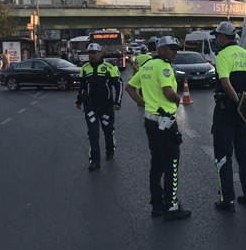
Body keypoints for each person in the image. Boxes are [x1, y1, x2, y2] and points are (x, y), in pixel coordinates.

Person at [124, 36, 191, 221]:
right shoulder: (163, 66)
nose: (175, 52)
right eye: (172, 49)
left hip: (150, 121)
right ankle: (172, 207)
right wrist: (178, 101)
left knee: (157, 164)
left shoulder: (147, 66)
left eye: (176, 49)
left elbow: (129, 88)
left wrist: (145, 104)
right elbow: (168, 92)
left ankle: (157, 205)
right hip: (165, 122)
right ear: (161, 50)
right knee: (172, 164)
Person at [210, 21, 246, 212]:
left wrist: (236, 100)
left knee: (223, 155)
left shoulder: (222, 55)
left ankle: (227, 200)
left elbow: (225, 83)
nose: (216, 40)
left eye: (217, 36)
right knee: (245, 154)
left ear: (223, 37)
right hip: (245, 112)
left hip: (226, 111)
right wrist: (245, 96)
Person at [75, 43, 123, 171]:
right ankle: (94, 161)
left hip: (106, 106)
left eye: (94, 53)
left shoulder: (110, 67)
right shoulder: (84, 68)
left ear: (100, 53)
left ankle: (110, 149)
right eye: (89, 53)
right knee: (93, 133)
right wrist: (79, 100)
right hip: (90, 106)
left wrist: (117, 102)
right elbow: (82, 87)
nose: (91, 56)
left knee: (108, 130)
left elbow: (118, 86)